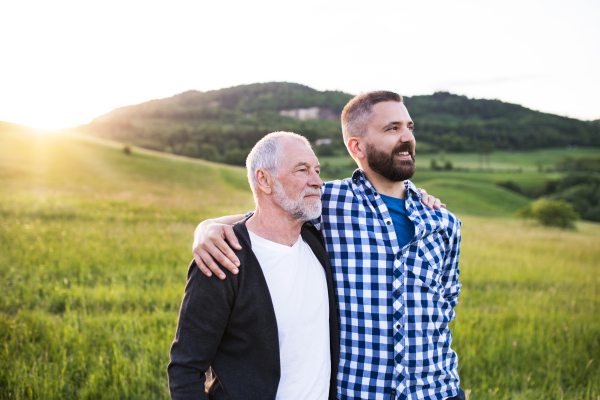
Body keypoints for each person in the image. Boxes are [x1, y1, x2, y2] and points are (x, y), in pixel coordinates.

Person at [194, 91, 464, 400]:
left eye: (409, 126)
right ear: (356, 146)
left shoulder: (443, 222)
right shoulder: (328, 202)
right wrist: (207, 228)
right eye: (392, 128)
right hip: (360, 393)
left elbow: (447, 301)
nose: (407, 137)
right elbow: (261, 219)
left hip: (439, 392)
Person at [168, 132, 339, 400]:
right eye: (302, 170)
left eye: (317, 170)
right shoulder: (222, 258)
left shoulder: (316, 242)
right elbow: (185, 370)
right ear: (264, 180)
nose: (317, 181)